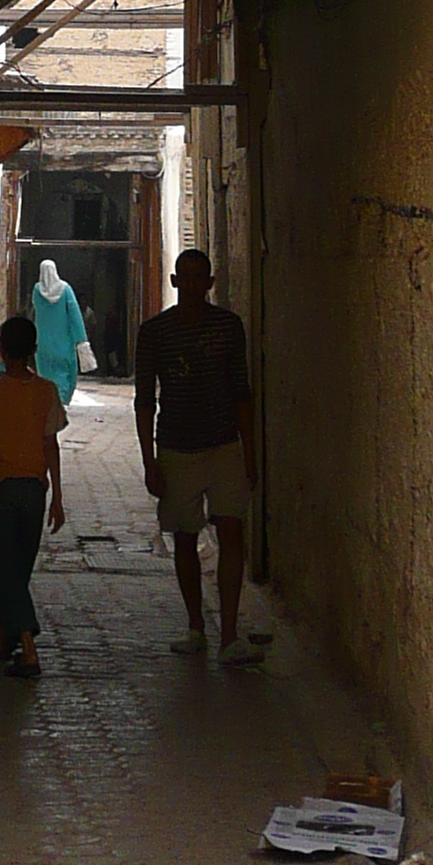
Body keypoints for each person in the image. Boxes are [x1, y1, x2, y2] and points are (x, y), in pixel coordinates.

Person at [133, 248, 260, 665]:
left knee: (232, 532)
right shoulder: (154, 333)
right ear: (174, 282)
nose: (189, 285)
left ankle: (228, 633)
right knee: (184, 537)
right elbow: (144, 400)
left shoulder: (229, 328)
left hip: (224, 444)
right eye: (183, 277)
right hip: (176, 446)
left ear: (209, 283)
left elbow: (241, 391)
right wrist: (149, 460)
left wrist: (249, 451)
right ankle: (195, 626)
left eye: (197, 278)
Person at [0, 311, 66, 677]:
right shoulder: (47, 392)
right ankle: (3, 636)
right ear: (35, 349)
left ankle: (29, 649)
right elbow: (51, 445)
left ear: (0, 348)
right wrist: (58, 497)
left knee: (8, 566)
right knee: (18, 566)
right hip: (35, 488)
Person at [27, 255, 92, 407]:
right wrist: (81, 339)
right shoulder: (65, 289)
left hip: (43, 342)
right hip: (64, 341)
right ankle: (62, 399)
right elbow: (75, 315)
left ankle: (48, 399)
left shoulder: (37, 290)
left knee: (45, 372)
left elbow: (34, 310)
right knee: (65, 372)